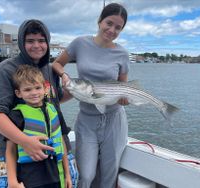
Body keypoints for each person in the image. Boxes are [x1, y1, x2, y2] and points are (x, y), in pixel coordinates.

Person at [0, 19, 71, 187]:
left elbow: (56, 97)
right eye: (30, 41)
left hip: (52, 152)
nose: (37, 45)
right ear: (22, 43)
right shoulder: (5, 70)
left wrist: (81, 90)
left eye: (42, 40)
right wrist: (25, 141)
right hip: (13, 152)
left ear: (48, 43)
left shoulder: (49, 70)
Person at [52, 3, 129, 188]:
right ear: (99, 21)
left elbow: (123, 86)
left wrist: (124, 98)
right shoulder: (80, 43)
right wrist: (64, 76)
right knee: (85, 175)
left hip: (114, 120)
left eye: (118, 27)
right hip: (87, 120)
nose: (112, 30)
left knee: (109, 174)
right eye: (109, 23)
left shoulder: (122, 54)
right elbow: (56, 64)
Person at [6, 65, 71, 188]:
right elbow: (11, 150)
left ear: (45, 89)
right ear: (18, 93)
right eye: (28, 90)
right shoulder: (17, 115)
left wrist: (67, 175)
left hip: (57, 175)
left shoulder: (54, 110)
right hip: (31, 179)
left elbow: (61, 142)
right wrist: (12, 180)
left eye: (37, 88)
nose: (34, 93)